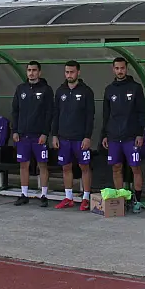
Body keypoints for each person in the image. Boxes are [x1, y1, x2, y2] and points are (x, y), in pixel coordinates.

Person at [101, 57, 145, 213]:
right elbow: (106, 114)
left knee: (135, 167)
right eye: (117, 68)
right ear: (113, 69)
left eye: (122, 68)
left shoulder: (135, 88)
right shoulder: (109, 89)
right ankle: (121, 200)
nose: (120, 71)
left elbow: (142, 112)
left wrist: (139, 134)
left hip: (131, 136)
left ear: (126, 69)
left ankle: (137, 201)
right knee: (116, 167)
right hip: (114, 136)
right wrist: (105, 135)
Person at [51, 60, 95, 211]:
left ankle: (86, 198)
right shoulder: (60, 91)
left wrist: (87, 136)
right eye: (67, 72)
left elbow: (90, 116)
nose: (69, 75)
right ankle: (68, 197)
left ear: (78, 72)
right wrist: (54, 135)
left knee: (84, 166)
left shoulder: (86, 91)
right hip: (63, 137)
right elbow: (56, 114)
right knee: (66, 167)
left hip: (80, 138)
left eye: (72, 72)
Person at [11, 61, 54, 206]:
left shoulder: (46, 89)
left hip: (39, 135)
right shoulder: (20, 89)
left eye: (34, 70)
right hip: (23, 135)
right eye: (29, 70)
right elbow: (15, 111)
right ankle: (24, 194)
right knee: (24, 164)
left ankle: (44, 195)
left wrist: (45, 133)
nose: (31, 73)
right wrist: (15, 130)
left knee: (42, 164)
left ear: (39, 72)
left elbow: (49, 113)